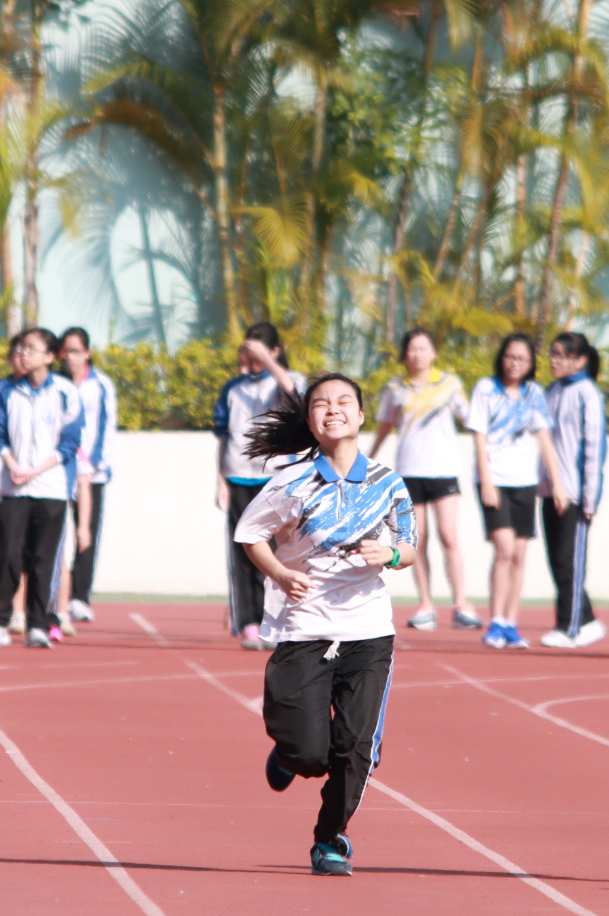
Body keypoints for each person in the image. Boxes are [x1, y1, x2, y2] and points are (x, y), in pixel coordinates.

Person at [234, 373, 415, 876]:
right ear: (311, 421)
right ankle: (290, 754)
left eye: (343, 402)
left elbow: (410, 547)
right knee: (311, 753)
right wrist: (279, 573)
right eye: (321, 404)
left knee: (357, 748)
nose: (333, 409)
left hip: (368, 632)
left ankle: (330, 839)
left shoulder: (387, 482)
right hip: (305, 630)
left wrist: (390, 554)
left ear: (361, 415)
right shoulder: (290, 483)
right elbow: (250, 533)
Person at [0, 328, 82, 649]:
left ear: (50, 356)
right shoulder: (6, 391)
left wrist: (36, 469)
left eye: (31, 348)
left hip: (51, 489)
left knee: (44, 560)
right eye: (20, 348)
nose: (23, 353)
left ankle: (39, 624)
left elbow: (70, 442)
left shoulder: (65, 392)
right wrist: (13, 464)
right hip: (13, 488)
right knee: (7, 555)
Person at [369, 328, 475, 632]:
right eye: (412, 349)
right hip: (410, 472)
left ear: (433, 353)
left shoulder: (450, 384)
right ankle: (426, 604)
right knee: (419, 539)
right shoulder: (395, 388)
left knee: (449, 536)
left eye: (423, 348)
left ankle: (461, 603)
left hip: (443, 471)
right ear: (405, 354)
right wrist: (367, 458)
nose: (417, 354)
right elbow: (385, 426)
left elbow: (470, 419)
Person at [467, 335, 565, 650]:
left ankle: (510, 622)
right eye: (510, 357)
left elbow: (545, 439)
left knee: (520, 554)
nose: (515, 363)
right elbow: (479, 437)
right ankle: (495, 621)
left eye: (522, 359)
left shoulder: (534, 393)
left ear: (530, 363)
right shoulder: (485, 389)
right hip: (494, 479)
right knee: (505, 549)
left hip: (525, 482)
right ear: (502, 357)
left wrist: (557, 483)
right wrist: (486, 481)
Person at [213, 323, 307, 649]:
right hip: (238, 477)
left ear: (275, 351)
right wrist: (220, 480)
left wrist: (267, 360)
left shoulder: (285, 380)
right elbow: (223, 438)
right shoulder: (232, 389)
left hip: (275, 479)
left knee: (279, 553)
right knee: (243, 550)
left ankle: (278, 620)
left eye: (257, 349)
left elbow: (293, 393)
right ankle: (249, 622)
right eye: (246, 349)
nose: (249, 355)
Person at [541, 331, 609, 648]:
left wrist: (589, 498)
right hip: (549, 490)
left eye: (561, 355)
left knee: (571, 561)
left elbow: (594, 448)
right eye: (552, 354)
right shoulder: (552, 391)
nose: (554, 361)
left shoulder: (588, 394)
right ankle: (588, 620)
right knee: (557, 561)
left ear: (580, 360)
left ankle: (569, 627)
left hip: (576, 494)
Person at [59, 327, 114, 624]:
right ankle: (55, 595)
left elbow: (106, 425)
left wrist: (95, 464)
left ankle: (79, 597)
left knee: (86, 534)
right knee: (55, 534)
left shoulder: (101, 385)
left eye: (76, 351)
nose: (71, 357)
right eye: (66, 351)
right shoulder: (56, 383)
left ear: (87, 353)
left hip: (92, 474)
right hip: (59, 470)